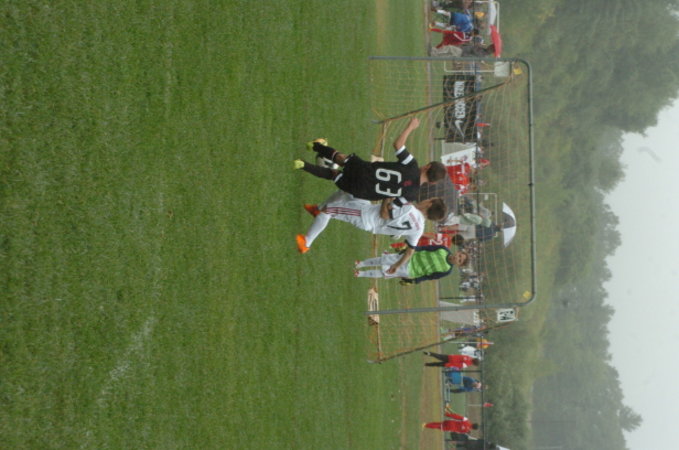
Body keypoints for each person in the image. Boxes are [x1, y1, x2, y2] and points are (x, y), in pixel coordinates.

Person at [296, 192, 447, 280]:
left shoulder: (409, 209)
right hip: (368, 212)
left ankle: (306, 243)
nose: (425, 199)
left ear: (429, 203)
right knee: (351, 191)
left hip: (365, 217)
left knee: (328, 211)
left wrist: (388, 196)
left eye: (429, 199)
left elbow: (384, 214)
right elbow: (410, 252)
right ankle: (316, 209)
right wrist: (396, 266)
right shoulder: (419, 229)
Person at [293, 117, 447, 203]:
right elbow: (392, 207)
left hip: (366, 171)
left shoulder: (412, 165)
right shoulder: (412, 195)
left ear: (427, 166)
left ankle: (315, 145)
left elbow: (398, 144)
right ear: (432, 183)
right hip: (363, 191)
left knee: (341, 159)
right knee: (334, 174)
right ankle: (302, 165)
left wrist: (410, 127)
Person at [354, 246, 468, 284]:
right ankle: (362, 263)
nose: (457, 258)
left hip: (410, 270)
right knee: (384, 259)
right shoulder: (443, 249)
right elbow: (425, 248)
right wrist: (410, 249)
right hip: (409, 257)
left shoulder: (447, 270)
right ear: (458, 252)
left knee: (386, 272)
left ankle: (361, 273)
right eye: (459, 256)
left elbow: (430, 276)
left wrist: (415, 280)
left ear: (458, 265)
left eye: (459, 260)